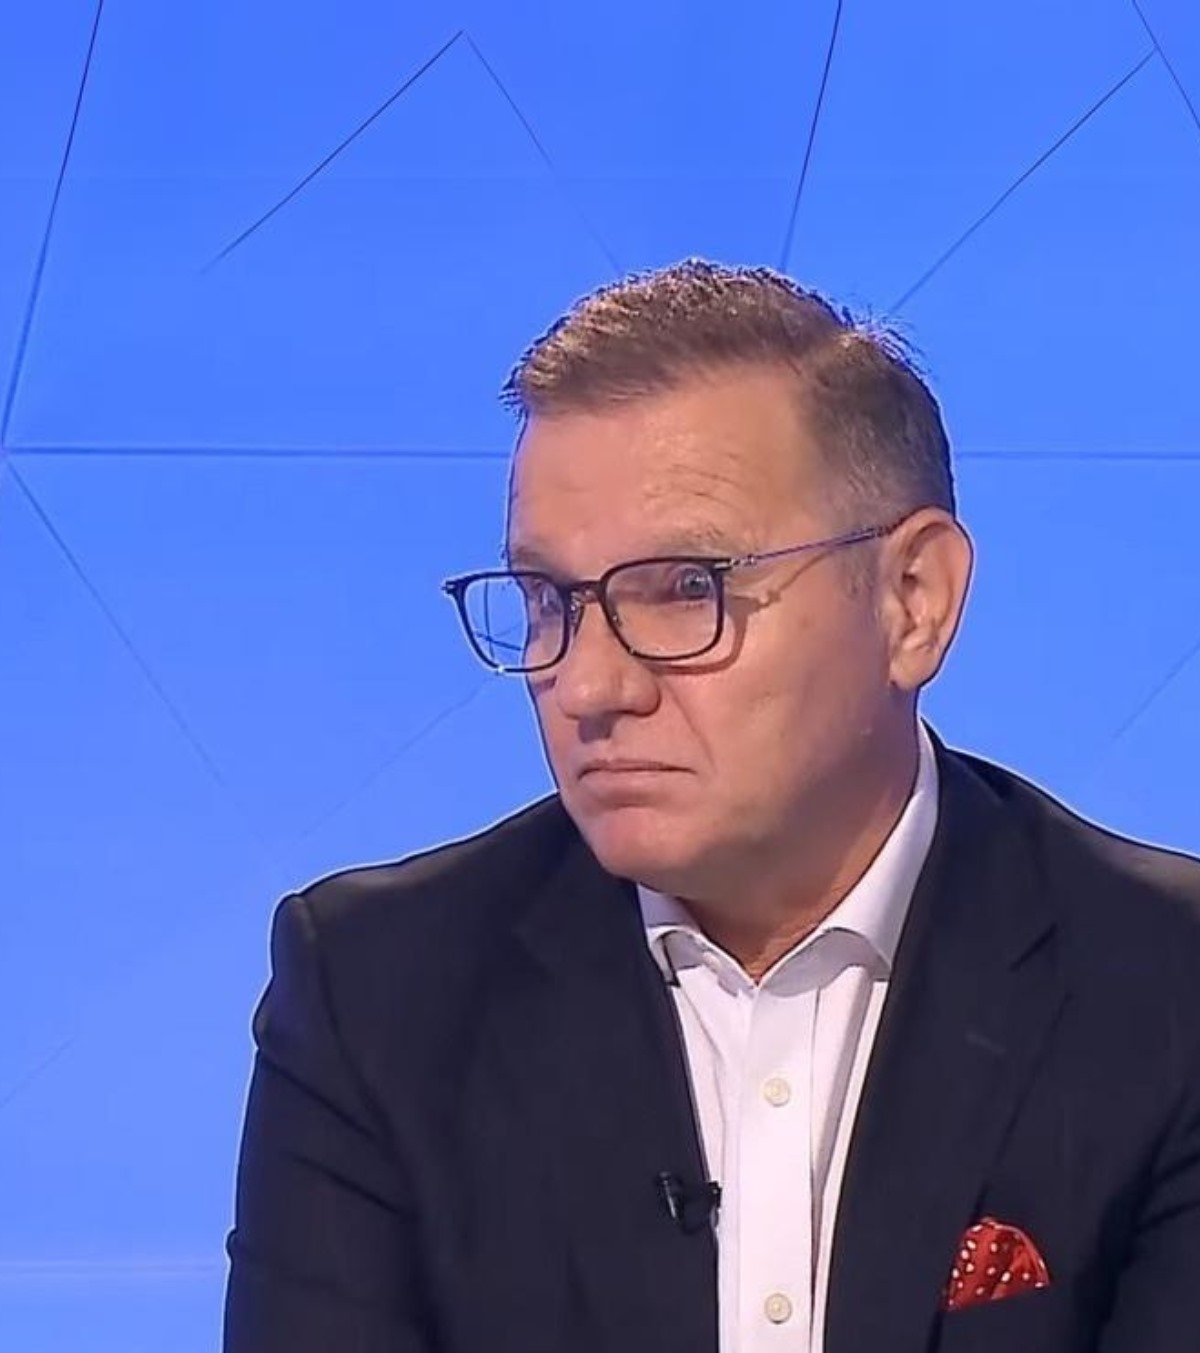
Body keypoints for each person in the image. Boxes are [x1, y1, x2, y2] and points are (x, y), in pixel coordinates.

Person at [222, 259, 1200, 1353]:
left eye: (687, 588)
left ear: (913, 600)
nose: (588, 686)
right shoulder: (378, 998)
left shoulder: (1166, 988)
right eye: (547, 599)